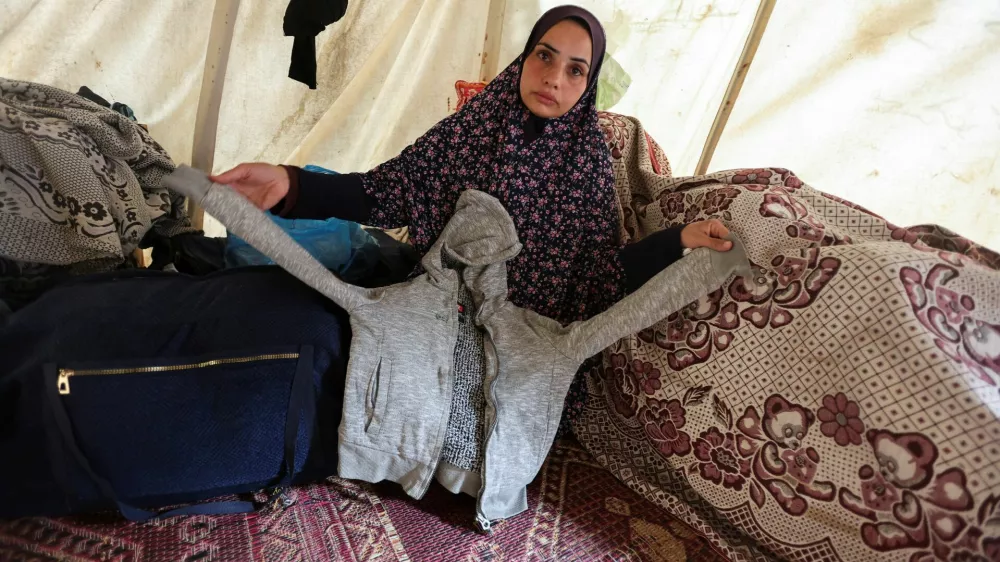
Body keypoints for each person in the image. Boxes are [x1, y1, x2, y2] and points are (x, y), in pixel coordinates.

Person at [212, 5, 733, 430]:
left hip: (515, 349)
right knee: (288, 331)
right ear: (525, 57)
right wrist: (291, 184)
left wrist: (676, 242)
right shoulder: (475, 127)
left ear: (589, 82)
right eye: (543, 57)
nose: (553, 78)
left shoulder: (589, 164)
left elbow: (598, 276)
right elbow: (385, 191)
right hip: (433, 315)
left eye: (575, 69)